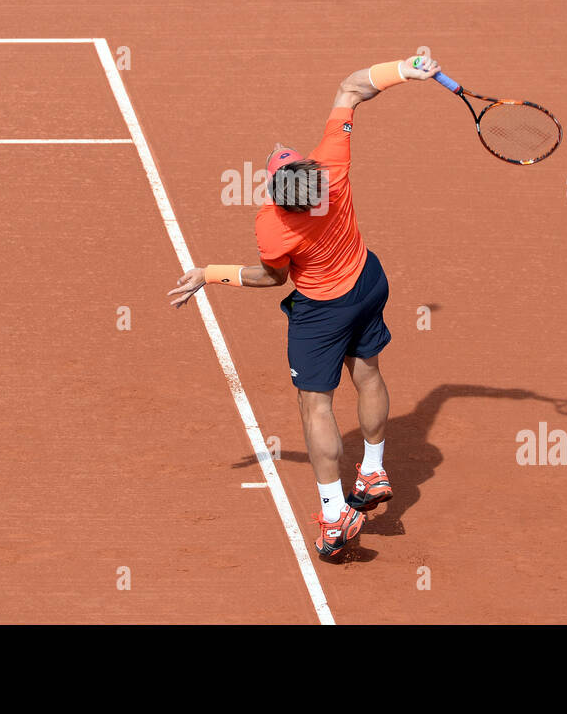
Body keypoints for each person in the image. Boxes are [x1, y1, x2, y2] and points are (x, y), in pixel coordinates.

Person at [168, 54, 440, 559]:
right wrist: (408, 67)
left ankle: (335, 516)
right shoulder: (331, 169)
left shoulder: (274, 223)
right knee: (368, 373)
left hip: (322, 312)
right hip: (367, 280)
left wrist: (209, 274)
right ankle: (374, 467)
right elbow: (353, 86)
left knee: (315, 405)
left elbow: (269, 277)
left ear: (278, 192)